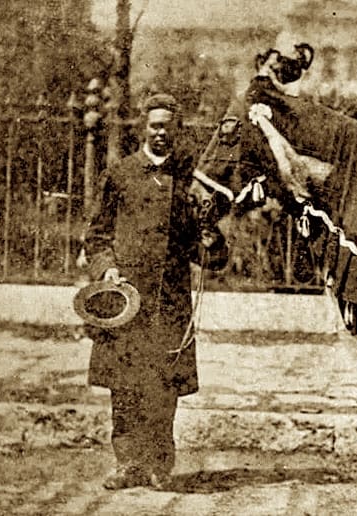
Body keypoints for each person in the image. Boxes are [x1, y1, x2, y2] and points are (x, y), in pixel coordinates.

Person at [84, 93, 227, 490]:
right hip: (127, 299)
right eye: (155, 125)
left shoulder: (189, 180)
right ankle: (128, 463)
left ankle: (159, 465)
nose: (161, 132)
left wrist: (212, 242)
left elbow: (204, 246)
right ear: (144, 128)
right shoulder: (121, 173)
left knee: (165, 384)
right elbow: (96, 235)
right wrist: (108, 269)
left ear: (177, 130)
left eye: (168, 126)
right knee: (125, 382)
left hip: (170, 300)